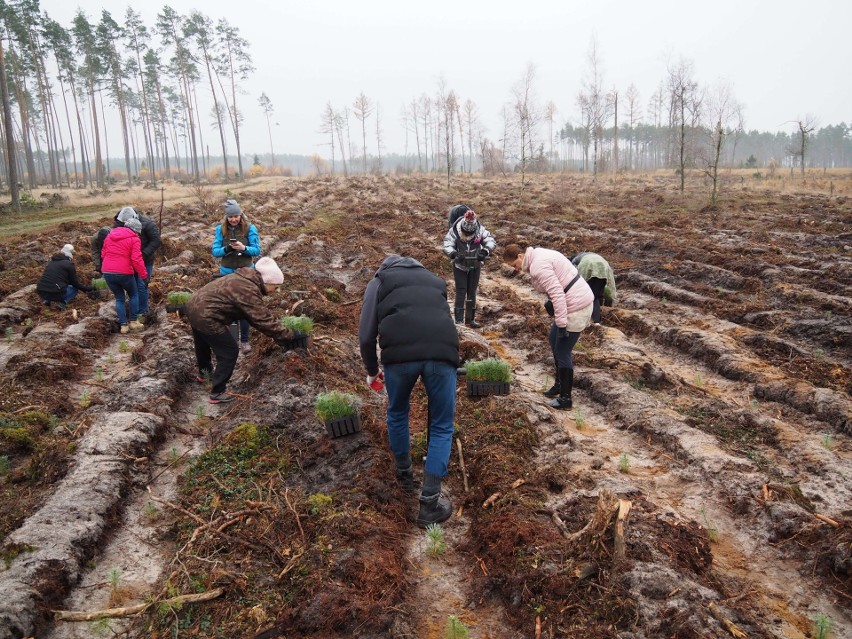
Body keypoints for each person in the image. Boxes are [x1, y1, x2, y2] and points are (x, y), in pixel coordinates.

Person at [358, 255, 460, 527]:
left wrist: (371, 371)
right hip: (442, 354)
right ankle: (429, 504)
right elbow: (443, 319)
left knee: (398, 412)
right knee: (441, 425)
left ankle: (405, 478)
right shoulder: (436, 281)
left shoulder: (378, 282)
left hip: (399, 359)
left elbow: (366, 336)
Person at [186, 257, 307, 404]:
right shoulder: (248, 289)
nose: (277, 290)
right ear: (267, 281)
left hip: (194, 307)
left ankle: (205, 375)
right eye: (276, 286)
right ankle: (217, 392)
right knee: (229, 351)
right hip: (206, 316)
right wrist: (290, 335)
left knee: (203, 343)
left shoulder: (244, 279)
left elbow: (254, 316)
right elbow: (261, 319)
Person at [503, 244, 594, 410]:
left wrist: (561, 324)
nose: (516, 269)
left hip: (577, 305)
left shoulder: (538, 266)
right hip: (572, 300)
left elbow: (557, 293)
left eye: (514, 265)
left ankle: (566, 399)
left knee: (562, 351)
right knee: (553, 339)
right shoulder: (537, 255)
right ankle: (559, 385)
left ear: (521, 256)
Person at [92, 206, 161, 320]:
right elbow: (108, 247)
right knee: (132, 290)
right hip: (126, 263)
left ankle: (142, 312)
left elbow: (156, 241)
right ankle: (133, 315)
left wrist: (143, 253)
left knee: (141, 286)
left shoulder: (147, 224)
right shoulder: (119, 223)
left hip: (144, 260)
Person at [211, 199, 261, 353]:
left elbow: (257, 250)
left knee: (244, 308)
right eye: (230, 217)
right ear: (226, 217)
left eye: (236, 216)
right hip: (227, 273)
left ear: (241, 215)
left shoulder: (250, 229)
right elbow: (215, 251)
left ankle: (245, 341)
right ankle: (231, 342)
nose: (233, 219)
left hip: (245, 273)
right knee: (228, 308)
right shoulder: (221, 229)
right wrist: (227, 249)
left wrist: (244, 247)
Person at [442, 208, 496, 328]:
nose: (468, 236)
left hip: (475, 264)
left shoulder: (480, 230)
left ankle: (470, 319)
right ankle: (459, 320)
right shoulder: (455, 230)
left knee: (472, 291)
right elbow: (447, 244)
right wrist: (454, 254)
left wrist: (484, 251)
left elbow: (491, 241)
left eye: (470, 234)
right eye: (466, 233)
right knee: (461, 291)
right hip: (460, 265)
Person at [101, 218, 147, 334]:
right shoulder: (134, 239)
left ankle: (123, 326)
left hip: (107, 271)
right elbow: (136, 259)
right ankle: (133, 321)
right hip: (124, 272)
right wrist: (144, 275)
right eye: (138, 232)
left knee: (119, 298)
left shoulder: (110, 236)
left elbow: (103, 253)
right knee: (134, 294)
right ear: (135, 230)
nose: (138, 234)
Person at [36, 244, 94, 310]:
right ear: (70, 254)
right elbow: (75, 284)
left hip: (41, 292)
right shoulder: (69, 265)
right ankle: (62, 303)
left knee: (52, 284)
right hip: (56, 293)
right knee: (74, 289)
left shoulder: (51, 263)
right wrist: (87, 289)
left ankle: (47, 301)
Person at [571, 252, 616, 324]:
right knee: (597, 293)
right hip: (603, 266)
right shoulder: (590, 254)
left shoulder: (575, 259)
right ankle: (600, 316)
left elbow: (573, 273)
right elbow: (608, 288)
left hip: (588, 266)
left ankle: (595, 321)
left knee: (590, 295)